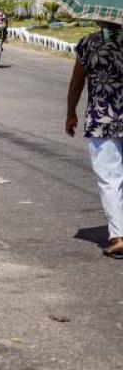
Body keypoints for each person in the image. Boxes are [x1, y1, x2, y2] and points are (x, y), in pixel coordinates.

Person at [66, 21, 123, 259]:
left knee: (110, 179)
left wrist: (71, 112)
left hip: (101, 119)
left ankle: (118, 237)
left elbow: (77, 82)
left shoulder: (89, 43)